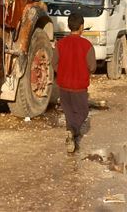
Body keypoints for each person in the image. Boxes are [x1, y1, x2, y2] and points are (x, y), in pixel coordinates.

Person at [53, 11, 96, 153]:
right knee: (82, 112)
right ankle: (72, 132)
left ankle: (71, 136)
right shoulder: (87, 45)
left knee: (69, 112)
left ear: (69, 26)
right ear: (82, 27)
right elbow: (93, 67)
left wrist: (63, 72)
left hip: (63, 86)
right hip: (79, 87)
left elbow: (54, 64)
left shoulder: (60, 44)